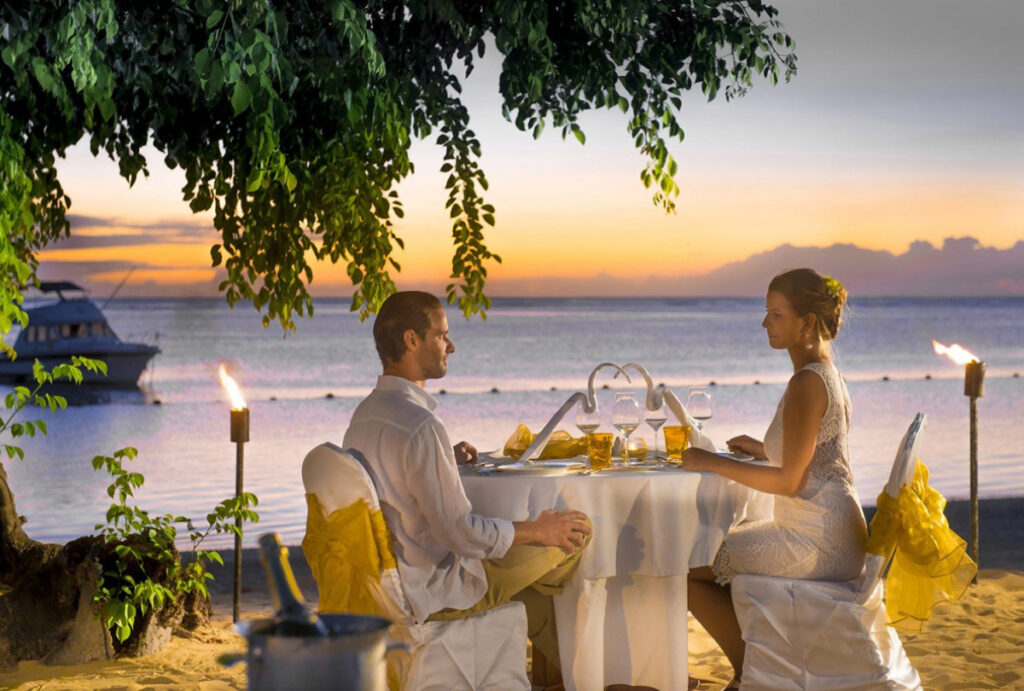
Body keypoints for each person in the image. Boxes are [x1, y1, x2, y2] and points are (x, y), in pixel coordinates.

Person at [342, 290, 592, 668]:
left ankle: (573, 675)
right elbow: (459, 533)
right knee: (576, 530)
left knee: (531, 587)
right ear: (412, 340)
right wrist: (537, 531)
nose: (451, 345)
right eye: (442, 335)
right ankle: (602, 673)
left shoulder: (366, 413)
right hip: (431, 590)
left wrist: (445, 460)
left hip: (383, 585)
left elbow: (394, 482)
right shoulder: (420, 425)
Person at [680, 269, 867, 688]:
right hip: (835, 528)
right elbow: (821, 453)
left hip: (817, 540)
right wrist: (765, 449)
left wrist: (712, 461)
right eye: (767, 313)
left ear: (807, 323)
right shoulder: (825, 372)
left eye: (776, 314)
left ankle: (751, 673)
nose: (765, 323)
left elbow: (788, 483)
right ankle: (761, 664)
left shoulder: (806, 382)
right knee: (726, 545)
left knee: (685, 571)